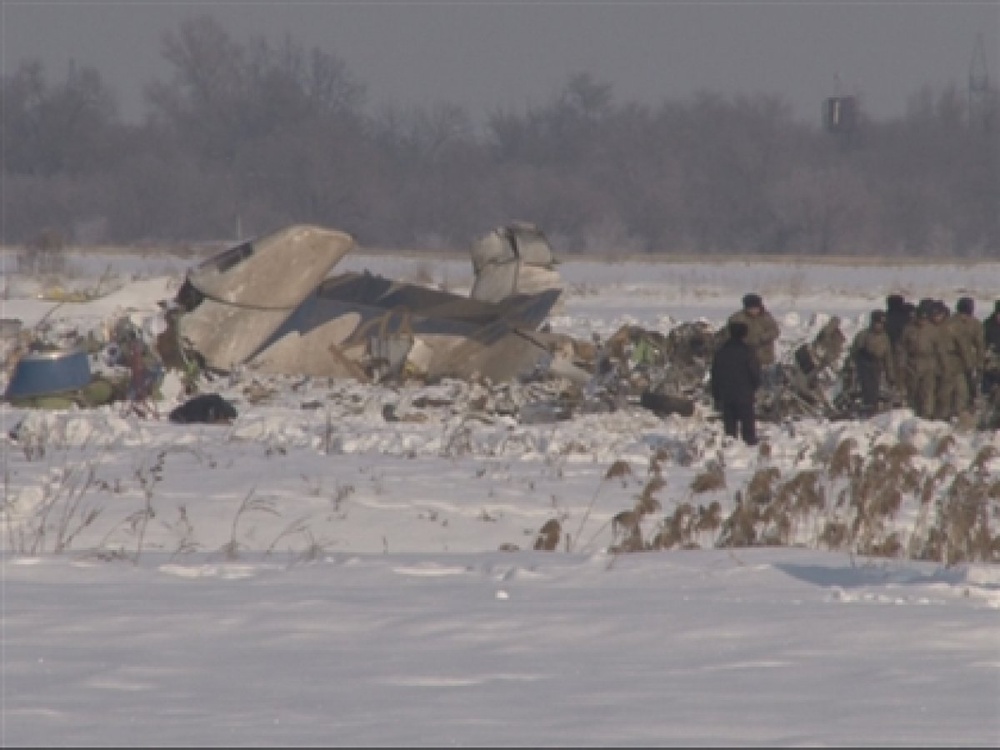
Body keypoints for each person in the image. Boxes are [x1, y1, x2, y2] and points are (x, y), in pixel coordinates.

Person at [711, 320, 761, 446]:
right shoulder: (748, 352)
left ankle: (730, 450)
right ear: (744, 334)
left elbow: (715, 375)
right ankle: (750, 450)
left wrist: (716, 395)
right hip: (744, 394)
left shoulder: (721, 352)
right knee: (748, 429)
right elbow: (754, 372)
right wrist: (755, 386)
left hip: (726, 395)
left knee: (730, 429)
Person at [897, 304, 942, 419]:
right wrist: (902, 364)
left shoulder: (933, 330)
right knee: (913, 391)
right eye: (920, 318)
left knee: (927, 391)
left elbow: (940, 349)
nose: (922, 321)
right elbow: (902, 348)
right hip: (912, 363)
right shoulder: (908, 329)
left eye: (924, 319)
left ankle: (927, 415)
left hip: (929, 363)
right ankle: (913, 414)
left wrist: (941, 366)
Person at [931, 301, 973, 422]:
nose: (936, 318)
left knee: (961, 392)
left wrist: (969, 364)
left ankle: (960, 416)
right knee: (944, 395)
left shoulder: (953, 327)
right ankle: (942, 418)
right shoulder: (931, 328)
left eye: (938, 315)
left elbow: (963, 346)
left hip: (956, 364)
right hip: (939, 365)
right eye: (934, 315)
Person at [849, 310, 896, 417]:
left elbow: (888, 358)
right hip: (864, 367)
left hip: (877, 367)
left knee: (874, 392)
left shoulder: (885, 338)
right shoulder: (863, 335)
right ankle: (866, 411)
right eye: (878, 323)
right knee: (867, 390)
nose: (880, 326)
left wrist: (891, 376)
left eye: (882, 324)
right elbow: (854, 353)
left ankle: (872, 411)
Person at [727, 293, 780, 385]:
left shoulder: (766, 317)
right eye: (751, 308)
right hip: (746, 357)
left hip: (765, 357)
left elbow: (775, 331)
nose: (754, 310)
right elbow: (730, 334)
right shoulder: (737, 318)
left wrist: (763, 338)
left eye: (756, 308)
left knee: (769, 381)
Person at [951, 297, 985, 409]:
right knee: (961, 391)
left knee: (968, 389)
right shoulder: (952, 323)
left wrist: (979, 363)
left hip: (968, 362)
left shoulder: (974, 324)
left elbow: (980, 346)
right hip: (956, 362)